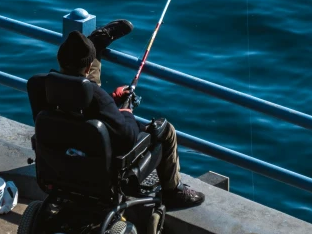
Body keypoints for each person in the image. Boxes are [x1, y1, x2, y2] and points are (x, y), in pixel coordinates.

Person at [56, 20, 205, 210]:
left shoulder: (43, 87)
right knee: (165, 129)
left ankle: (94, 46)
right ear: (87, 69)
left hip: (63, 157)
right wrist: (125, 111)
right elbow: (128, 135)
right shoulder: (99, 100)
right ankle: (173, 191)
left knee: (82, 88)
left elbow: (87, 101)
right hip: (102, 165)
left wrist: (111, 100)